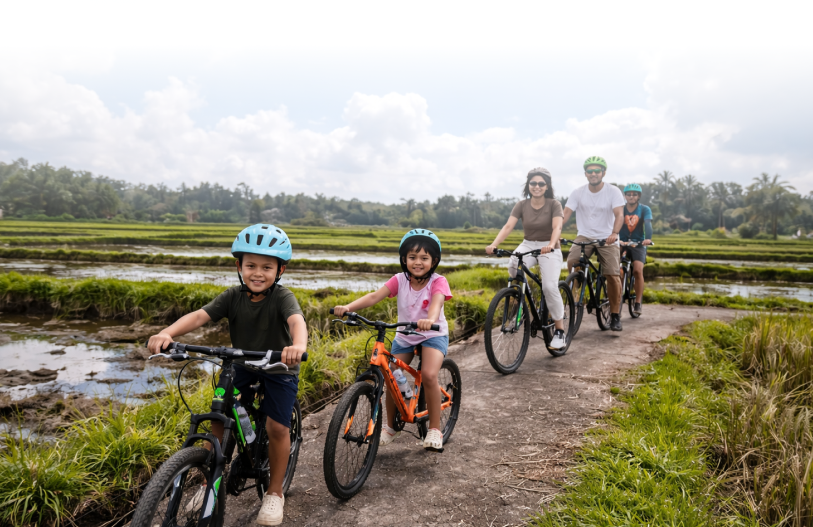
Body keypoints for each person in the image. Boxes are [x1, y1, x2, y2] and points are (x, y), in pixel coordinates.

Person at [147, 224, 307, 526]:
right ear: (239, 266)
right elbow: (199, 316)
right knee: (218, 419)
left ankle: (274, 492)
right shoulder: (232, 296)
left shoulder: (282, 298)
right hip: (242, 365)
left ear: (280, 270)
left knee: (276, 427)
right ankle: (209, 482)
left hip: (279, 367)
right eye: (250, 265)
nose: (257, 273)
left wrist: (297, 346)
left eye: (266, 267)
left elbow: (296, 321)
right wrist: (166, 332)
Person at [332, 229, 452, 452]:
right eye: (412, 257)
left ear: (433, 261)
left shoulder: (439, 281)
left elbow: (436, 304)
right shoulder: (399, 280)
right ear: (404, 259)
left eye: (424, 258)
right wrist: (349, 307)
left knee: (429, 374)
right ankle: (390, 426)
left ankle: (435, 429)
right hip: (405, 335)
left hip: (433, 334)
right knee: (390, 375)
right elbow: (374, 297)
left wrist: (429, 319)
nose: (418, 262)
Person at [485, 167, 567, 349]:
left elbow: (557, 228)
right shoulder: (521, 205)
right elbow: (508, 226)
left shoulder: (554, 204)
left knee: (549, 286)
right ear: (528, 185)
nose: (536, 186)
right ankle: (521, 299)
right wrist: (494, 245)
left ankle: (560, 331)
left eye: (541, 183)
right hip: (528, 243)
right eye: (533, 183)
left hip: (549, 245)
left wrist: (552, 245)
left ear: (547, 186)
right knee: (514, 264)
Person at [562, 156, 625, 331]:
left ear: (603, 173)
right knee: (573, 262)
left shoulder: (613, 191)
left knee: (612, 275)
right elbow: (565, 214)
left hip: (607, 237)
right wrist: (555, 231)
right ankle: (577, 294)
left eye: (597, 171)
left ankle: (614, 314)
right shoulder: (578, 192)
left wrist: (614, 233)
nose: (594, 174)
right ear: (585, 174)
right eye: (590, 171)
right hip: (585, 235)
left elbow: (619, 215)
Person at [619, 183, 653, 315]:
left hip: (639, 243)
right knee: (617, 270)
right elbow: (613, 222)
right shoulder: (620, 209)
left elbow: (648, 224)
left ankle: (638, 302)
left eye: (634, 194)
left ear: (638, 196)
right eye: (628, 194)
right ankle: (616, 297)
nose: (631, 196)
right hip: (621, 242)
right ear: (625, 196)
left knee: (638, 271)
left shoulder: (644, 209)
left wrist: (647, 239)